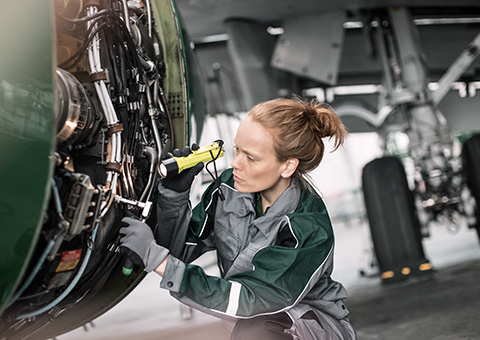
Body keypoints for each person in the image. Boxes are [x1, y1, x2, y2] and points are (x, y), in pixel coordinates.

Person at [119, 97, 356, 340]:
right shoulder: (228, 188)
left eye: (250, 158)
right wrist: (173, 197)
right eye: (237, 149)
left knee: (256, 332)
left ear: (287, 167)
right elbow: (179, 251)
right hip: (255, 320)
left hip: (310, 327)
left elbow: (249, 299)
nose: (235, 164)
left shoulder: (306, 226)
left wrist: (155, 258)